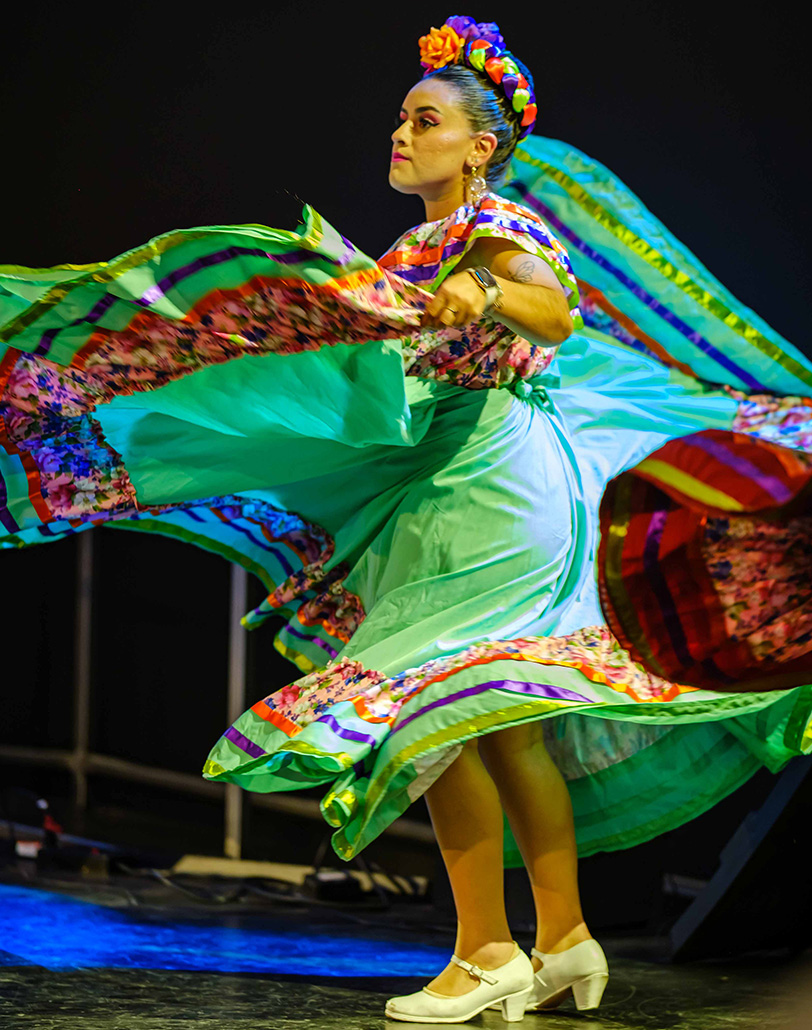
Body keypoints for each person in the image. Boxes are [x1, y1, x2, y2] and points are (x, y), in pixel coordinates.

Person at [2, 13, 810, 1026]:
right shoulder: (420, 246)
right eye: (399, 118)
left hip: (490, 489)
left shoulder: (494, 230)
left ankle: (483, 954)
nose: (401, 133)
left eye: (423, 121)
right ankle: (562, 941)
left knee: (427, 716)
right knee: (503, 724)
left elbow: (551, 307)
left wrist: (484, 292)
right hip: (470, 480)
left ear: (478, 147)